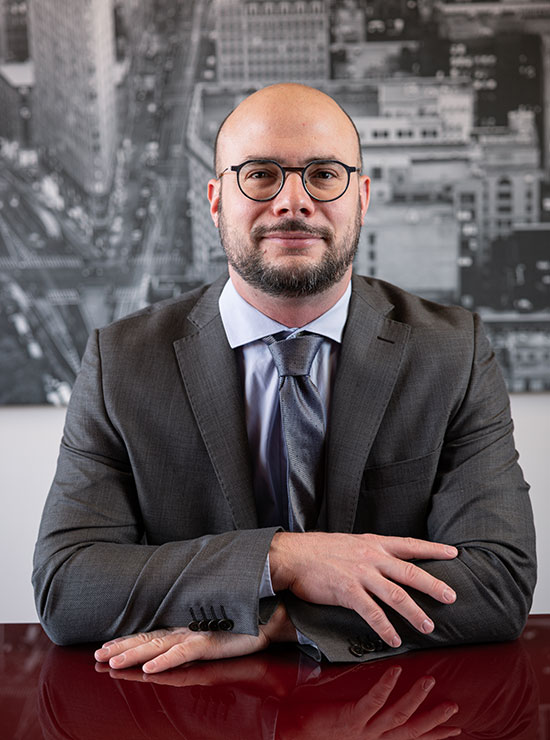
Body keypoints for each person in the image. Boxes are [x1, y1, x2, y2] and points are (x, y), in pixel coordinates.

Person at [33, 83, 536, 674]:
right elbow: (69, 587)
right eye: (260, 174)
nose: (293, 201)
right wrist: (282, 559)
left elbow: (497, 582)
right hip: (188, 706)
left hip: (392, 701)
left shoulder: (452, 353)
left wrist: (276, 621)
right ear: (216, 200)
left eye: (323, 175)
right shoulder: (121, 362)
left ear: (362, 198)